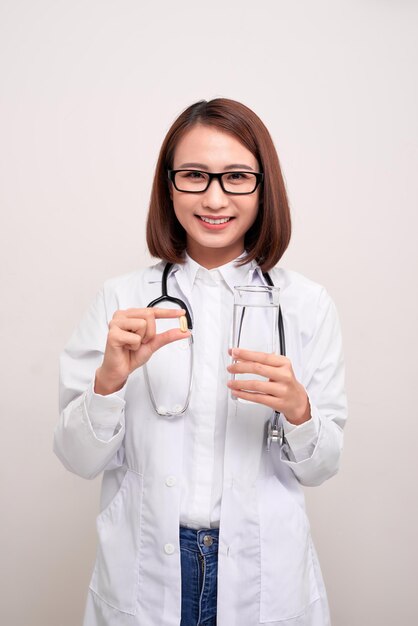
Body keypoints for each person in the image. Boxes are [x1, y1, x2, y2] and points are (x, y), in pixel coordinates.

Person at [54, 98, 347, 626]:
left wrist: (300, 412)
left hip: (262, 575)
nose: (214, 197)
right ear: (169, 185)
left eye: (236, 176)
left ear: (264, 186)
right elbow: (78, 459)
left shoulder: (306, 305)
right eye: (194, 175)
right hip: (147, 572)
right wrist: (108, 382)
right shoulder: (120, 299)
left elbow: (323, 467)